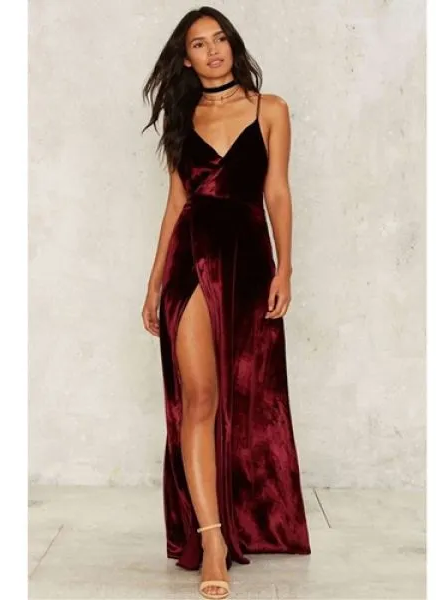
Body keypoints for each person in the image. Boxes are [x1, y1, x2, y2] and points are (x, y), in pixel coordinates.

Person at [141, 7, 310, 599]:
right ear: (186, 59)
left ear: (233, 46)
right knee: (200, 397)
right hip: (190, 258)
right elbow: (175, 203)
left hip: (247, 260)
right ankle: (212, 540)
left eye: (220, 39)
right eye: (198, 44)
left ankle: (244, 518)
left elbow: (277, 192)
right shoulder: (181, 116)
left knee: (245, 393)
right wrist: (154, 283)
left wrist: (286, 265)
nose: (212, 50)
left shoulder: (271, 109)